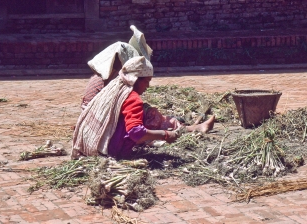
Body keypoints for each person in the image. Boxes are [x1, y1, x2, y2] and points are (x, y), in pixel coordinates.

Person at [72, 56, 215, 160]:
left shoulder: (115, 86)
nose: (148, 86)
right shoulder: (133, 98)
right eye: (147, 81)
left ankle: (190, 128)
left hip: (88, 145)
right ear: (136, 79)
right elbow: (136, 132)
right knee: (150, 116)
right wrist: (165, 135)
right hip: (109, 149)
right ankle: (191, 129)